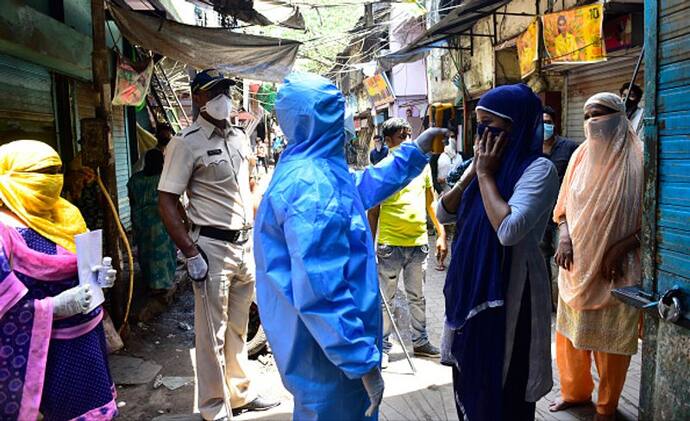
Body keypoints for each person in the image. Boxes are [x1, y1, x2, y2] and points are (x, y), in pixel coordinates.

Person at [253, 72, 447, 420]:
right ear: (316, 118)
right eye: (334, 112)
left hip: (326, 350)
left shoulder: (313, 167)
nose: (342, 122)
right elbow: (322, 290)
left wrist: (413, 153)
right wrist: (361, 362)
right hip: (331, 358)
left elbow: (361, 188)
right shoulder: (311, 185)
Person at [157, 69, 278, 421]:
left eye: (226, 90)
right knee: (212, 333)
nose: (223, 98)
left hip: (243, 245)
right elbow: (166, 201)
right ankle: (213, 407)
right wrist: (190, 252)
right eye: (214, 92)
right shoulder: (185, 143)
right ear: (197, 98)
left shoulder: (240, 137)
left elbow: (249, 188)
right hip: (210, 247)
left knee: (240, 327)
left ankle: (240, 394)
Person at [436, 84, 558, 420]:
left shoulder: (539, 170)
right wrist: (473, 175)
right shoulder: (482, 165)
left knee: (508, 383)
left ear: (516, 127)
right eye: (479, 125)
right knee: (471, 375)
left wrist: (487, 175)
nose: (483, 135)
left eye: (492, 125)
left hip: (513, 292)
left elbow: (508, 230)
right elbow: (443, 213)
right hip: (472, 289)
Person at [0, 140, 117, 420]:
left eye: (56, 170)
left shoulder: (65, 213)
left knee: (94, 408)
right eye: (41, 172)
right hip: (42, 349)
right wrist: (53, 307)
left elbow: (81, 263)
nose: (52, 180)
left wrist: (98, 276)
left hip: (88, 335)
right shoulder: (4, 229)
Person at [549, 93, 643, 421]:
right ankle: (574, 394)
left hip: (617, 270)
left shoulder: (640, 159)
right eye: (588, 116)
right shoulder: (579, 156)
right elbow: (562, 208)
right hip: (575, 265)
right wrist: (564, 237)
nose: (593, 123)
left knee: (611, 345)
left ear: (619, 117)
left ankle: (606, 407)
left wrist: (623, 246)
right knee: (571, 340)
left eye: (600, 115)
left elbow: (653, 219)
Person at [367, 117, 447, 368]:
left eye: (409, 135)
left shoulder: (422, 167)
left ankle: (420, 342)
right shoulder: (384, 168)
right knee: (385, 300)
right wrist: (369, 246)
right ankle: (385, 347)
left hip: (418, 243)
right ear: (388, 141)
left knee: (418, 296)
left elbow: (430, 201)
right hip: (390, 243)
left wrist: (441, 233)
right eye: (402, 136)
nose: (407, 140)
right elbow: (373, 210)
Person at [128, 149, 177, 293]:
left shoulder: (135, 179)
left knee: (145, 251)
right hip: (160, 219)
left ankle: (149, 282)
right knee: (163, 251)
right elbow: (173, 202)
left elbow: (132, 200)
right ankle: (162, 283)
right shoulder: (163, 178)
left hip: (141, 219)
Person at [541, 105, 579, 285]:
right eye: (541, 123)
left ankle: (562, 303)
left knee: (564, 260)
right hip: (539, 216)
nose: (544, 126)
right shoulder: (530, 150)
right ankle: (547, 304)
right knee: (541, 261)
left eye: (548, 122)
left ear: (554, 124)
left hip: (563, 217)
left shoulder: (570, 148)